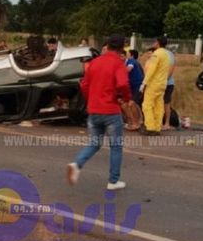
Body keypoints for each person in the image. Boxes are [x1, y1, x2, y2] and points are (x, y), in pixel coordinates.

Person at [67, 35, 131, 191]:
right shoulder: (118, 63)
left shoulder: (94, 62)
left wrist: (92, 99)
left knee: (94, 144)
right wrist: (126, 98)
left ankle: (77, 164)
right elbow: (122, 83)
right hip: (110, 111)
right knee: (116, 146)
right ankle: (113, 181)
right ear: (121, 49)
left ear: (107, 46)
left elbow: (84, 85)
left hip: (94, 111)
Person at [139, 37, 170, 136]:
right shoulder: (166, 55)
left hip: (153, 84)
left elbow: (151, 70)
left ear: (158, 43)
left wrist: (144, 83)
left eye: (155, 41)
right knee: (158, 106)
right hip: (162, 84)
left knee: (147, 105)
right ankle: (157, 127)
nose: (154, 43)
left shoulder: (156, 54)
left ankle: (150, 127)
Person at [163, 48, 176, 130]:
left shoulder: (168, 54)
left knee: (166, 103)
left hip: (167, 83)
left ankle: (167, 123)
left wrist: (164, 80)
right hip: (157, 84)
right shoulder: (156, 53)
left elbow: (171, 69)